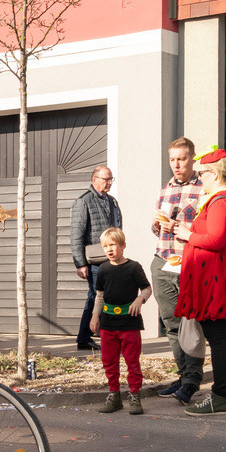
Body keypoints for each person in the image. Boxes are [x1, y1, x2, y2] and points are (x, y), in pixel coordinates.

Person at [174, 147, 226, 416]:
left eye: (202, 174)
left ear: (215, 174)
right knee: (225, 337)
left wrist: (187, 235)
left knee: (218, 338)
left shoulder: (221, 200)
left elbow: (216, 240)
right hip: (220, 276)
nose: (200, 178)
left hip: (216, 279)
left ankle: (219, 397)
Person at [150, 137, 205, 405]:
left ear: (191, 158)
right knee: (171, 325)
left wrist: (179, 228)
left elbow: (208, 230)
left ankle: (193, 381)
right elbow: (157, 225)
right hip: (162, 261)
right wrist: (157, 225)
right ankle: (183, 377)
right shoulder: (165, 189)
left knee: (190, 324)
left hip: (188, 264)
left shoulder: (204, 189)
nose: (176, 164)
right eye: (172, 159)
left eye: (181, 159)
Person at [89, 228, 152, 415]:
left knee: (132, 361)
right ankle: (114, 395)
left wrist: (140, 300)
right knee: (109, 361)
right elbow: (99, 295)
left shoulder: (134, 267)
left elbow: (147, 289)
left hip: (129, 323)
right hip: (108, 323)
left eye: (113, 245)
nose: (109, 249)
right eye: (105, 246)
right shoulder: (103, 269)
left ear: (123, 246)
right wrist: (95, 316)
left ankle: (134, 395)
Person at [71, 166, 121, 351]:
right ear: (94, 180)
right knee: (95, 297)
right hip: (94, 261)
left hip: (111, 258)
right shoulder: (84, 202)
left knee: (108, 297)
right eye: (106, 179)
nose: (109, 182)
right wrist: (80, 263)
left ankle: (100, 335)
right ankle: (84, 338)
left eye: (111, 179)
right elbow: (76, 235)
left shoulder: (112, 201)